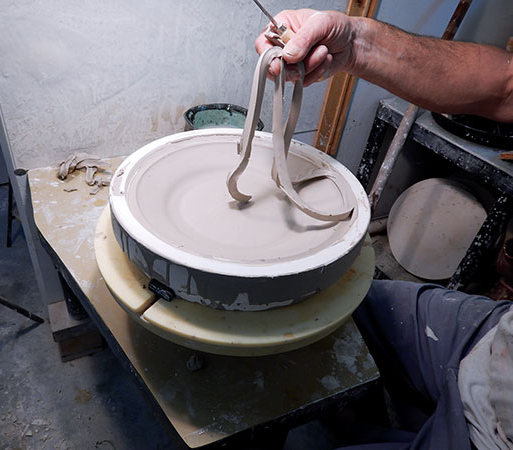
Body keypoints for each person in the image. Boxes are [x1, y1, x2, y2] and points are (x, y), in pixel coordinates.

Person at [255, 9, 513, 450]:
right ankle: (360, 418)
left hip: (496, 435)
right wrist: (354, 42)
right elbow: (505, 85)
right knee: (331, 304)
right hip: (496, 342)